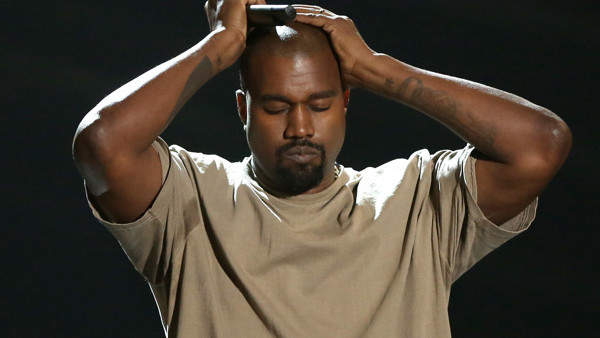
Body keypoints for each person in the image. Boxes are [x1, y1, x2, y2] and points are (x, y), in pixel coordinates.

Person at [72, 1, 572, 336]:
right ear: (243, 110)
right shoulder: (191, 200)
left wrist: (381, 69)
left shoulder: (415, 200)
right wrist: (222, 44)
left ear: (346, 102)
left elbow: (540, 147)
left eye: (320, 103)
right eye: (275, 107)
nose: (300, 127)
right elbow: (103, 144)